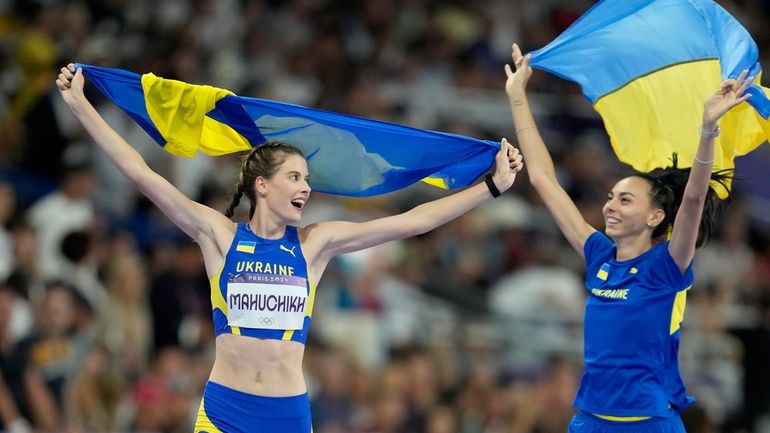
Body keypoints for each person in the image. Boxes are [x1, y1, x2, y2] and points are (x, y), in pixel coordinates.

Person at [56, 63, 524, 433]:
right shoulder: (218, 236)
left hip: (287, 417)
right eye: (295, 178)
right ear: (262, 186)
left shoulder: (316, 244)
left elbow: (413, 221)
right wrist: (80, 105)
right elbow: (141, 174)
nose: (306, 188)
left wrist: (493, 187)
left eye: (307, 179)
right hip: (224, 413)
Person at [504, 43, 752, 433]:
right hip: (589, 422)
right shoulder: (599, 255)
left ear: (655, 216)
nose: (610, 206)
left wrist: (708, 130)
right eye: (609, 198)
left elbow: (693, 199)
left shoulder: (666, 266)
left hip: (649, 423)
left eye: (625, 199)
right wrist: (518, 96)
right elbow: (543, 178)